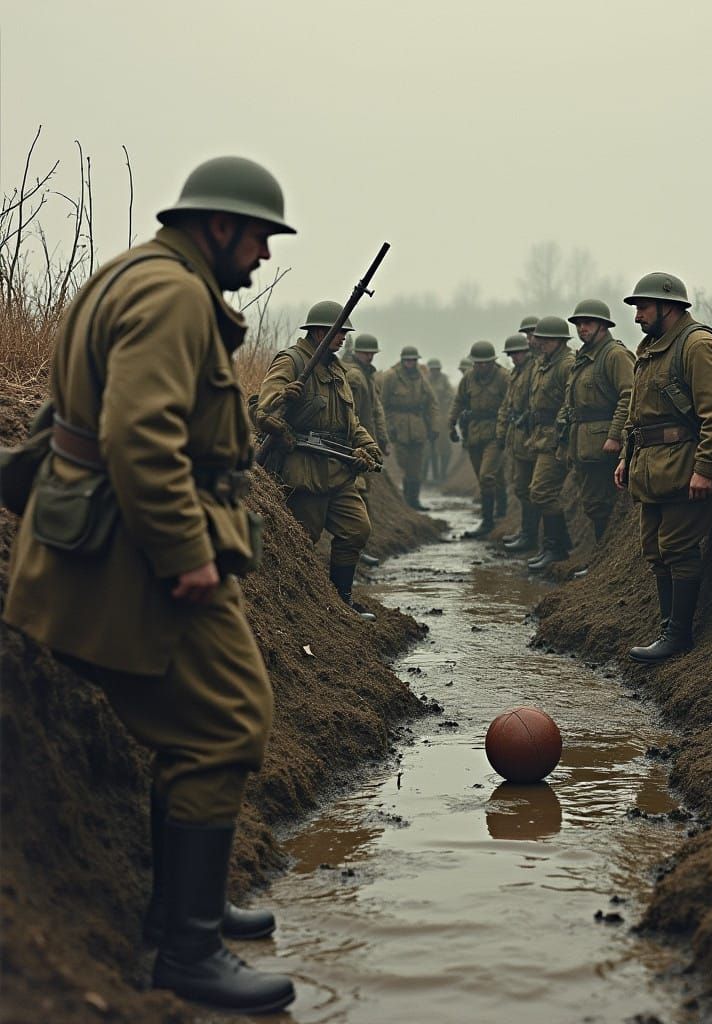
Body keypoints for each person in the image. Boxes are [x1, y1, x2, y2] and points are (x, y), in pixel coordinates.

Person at [2, 156, 297, 1013]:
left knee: (209, 722)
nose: (264, 257)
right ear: (218, 226)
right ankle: (188, 952)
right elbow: (138, 432)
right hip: (136, 555)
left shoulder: (135, 273)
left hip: (113, 540)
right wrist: (185, 555)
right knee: (227, 722)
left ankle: (184, 910)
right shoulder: (173, 295)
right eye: (258, 237)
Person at [614, 272, 712, 662]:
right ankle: (667, 628)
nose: (637, 316)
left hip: (685, 467)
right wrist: (626, 456)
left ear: (667, 306)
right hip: (653, 470)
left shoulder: (698, 345)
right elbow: (637, 415)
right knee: (655, 550)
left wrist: (706, 469)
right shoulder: (651, 349)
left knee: (677, 547)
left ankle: (679, 636)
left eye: (643, 307)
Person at [253, 301, 382, 621]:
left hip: (338, 471)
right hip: (304, 471)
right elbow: (264, 411)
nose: (343, 339)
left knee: (357, 530)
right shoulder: (292, 361)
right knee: (303, 540)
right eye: (339, 333)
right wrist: (285, 397)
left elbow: (349, 421)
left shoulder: (336, 368)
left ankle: (342, 602)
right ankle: (294, 611)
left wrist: (368, 445)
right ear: (321, 331)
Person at [563, 299, 634, 562]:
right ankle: (600, 558)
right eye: (579, 324)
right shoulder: (584, 357)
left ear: (603, 325)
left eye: (588, 323)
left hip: (603, 443)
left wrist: (615, 435)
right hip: (584, 442)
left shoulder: (614, 355)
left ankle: (603, 561)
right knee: (592, 504)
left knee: (601, 504)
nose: (582, 328)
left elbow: (629, 395)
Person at [522, 316, 575, 571]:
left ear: (559, 340)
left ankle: (557, 548)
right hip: (542, 435)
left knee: (541, 491)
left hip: (557, 437)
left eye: (546, 340)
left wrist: (562, 433)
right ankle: (555, 545)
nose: (539, 344)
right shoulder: (544, 363)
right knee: (539, 491)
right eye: (539, 339)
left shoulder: (567, 364)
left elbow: (570, 400)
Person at [448, 340, 510, 537]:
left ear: (493, 362)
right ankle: (501, 509)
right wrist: (451, 423)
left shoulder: (503, 378)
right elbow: (459, 401)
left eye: (485, 363)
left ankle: (488, 521)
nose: (481, 366)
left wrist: (505, 431)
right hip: (474, 433)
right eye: (478, 363)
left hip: (495, 432)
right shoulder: (468, 378)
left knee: (487, 476)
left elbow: (511, 403)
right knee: (486, 477)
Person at [342, 332, 391, 567]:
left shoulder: (367, 376)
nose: (369, 356)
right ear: (357, 352)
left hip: (366, 443)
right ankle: (357, 552)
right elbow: (350, 414)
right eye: (366, 352)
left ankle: (359, 551)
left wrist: (381, 440)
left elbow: (376, 412)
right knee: (359, 498)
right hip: (355, 446)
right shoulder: (354, 376)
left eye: (372, 353)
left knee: (364, 495)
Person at [379, 345, 438, 510]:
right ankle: (406, 502)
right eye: (408, 360)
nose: (411, 363)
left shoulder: (421, 377)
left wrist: (433, 426)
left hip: (418, 428)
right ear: (403, 360)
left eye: (414, 360)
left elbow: (431, 403)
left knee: (416, 467)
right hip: (398, 428)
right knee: (404, 465)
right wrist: (387, 427)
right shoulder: (391, 376)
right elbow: (382, 404)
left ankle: (414, 500)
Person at [497, 333, 539, 551]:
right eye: (511, 354)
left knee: (533, 489)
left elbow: (538, 400)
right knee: (521, 488)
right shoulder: (517, 373)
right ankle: (527, 532)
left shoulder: (534, 370)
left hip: (530, 436)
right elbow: (507, 404)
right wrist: (502, 431)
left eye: (518, 353)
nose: (514, 357)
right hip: (518, 437)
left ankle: (533, 536)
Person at [425, 357, 455, 483]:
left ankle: (442, 475)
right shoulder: (425, 380)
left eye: (436, 369)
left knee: (444, 448)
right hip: (427, 417)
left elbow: (451, 395)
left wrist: (445, 402)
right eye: (432, 369)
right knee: (428, 450)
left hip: (442, 416)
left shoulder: (444, 380)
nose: (435, 371)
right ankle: (425, 476)